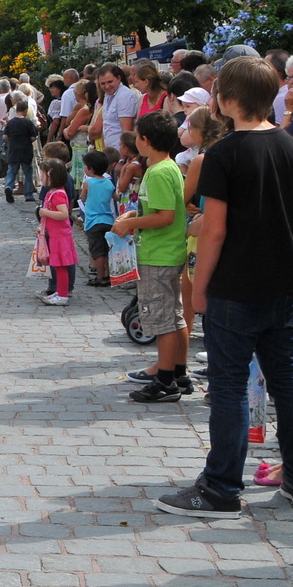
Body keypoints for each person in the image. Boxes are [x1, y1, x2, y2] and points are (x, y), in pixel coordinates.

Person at [158, 56, 293, 518]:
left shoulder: (224, 154)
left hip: (237, 281)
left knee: (228, 386)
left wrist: (200, 286)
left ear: (226, 101)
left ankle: (222, 487)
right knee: (288, 381)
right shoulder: (291, 146)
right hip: (284, 278)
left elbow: (214, 230)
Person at [112, 112, 190, 401]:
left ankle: (166, 381)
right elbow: (159, 210)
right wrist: (135, 213)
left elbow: (165, 217)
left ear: (145, 140)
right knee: (175, 316)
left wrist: (129, 224)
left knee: (161, 320)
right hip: (168, 253)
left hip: (158, 255)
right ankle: (180, 373)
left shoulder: (157, 172)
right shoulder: (168, 166)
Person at [36, 159, 77, 305]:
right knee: (57, 266)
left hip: (60, 237)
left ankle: (63, 295)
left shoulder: (58, 194)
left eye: (42, 173)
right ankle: (59, 292)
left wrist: (45, 212)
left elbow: (63, 214)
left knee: (60, 267)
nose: (40, 176)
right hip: (54, 235)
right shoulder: (51, 193)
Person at [81, 150, 116, 288]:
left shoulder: (88, 183)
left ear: (90, 168)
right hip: (108, 220)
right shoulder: (109, 183)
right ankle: (108, 274)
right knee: (106, 249)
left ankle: (100, 277)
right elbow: (115, 196)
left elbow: (83, 198)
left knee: (97, 251)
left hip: (93, 222)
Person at [97, 64, 141, 152]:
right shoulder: (108, 95)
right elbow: (106, 126)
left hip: (120, 151)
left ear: (119, 78)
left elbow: (126, 131)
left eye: (110, 82)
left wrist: (123, 158)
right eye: (103, 83)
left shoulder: (125, 96)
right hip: (111, 151)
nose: (106, 86)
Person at [3, 94, 37, 204]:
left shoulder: (11, 123)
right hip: (26, 150)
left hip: (13, 150)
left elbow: (5, 136)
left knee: (12, 170)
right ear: (26, 110)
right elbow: (33, 137)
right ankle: (28, 194)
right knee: (28, 171)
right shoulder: (28, 122)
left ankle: (8, 186)